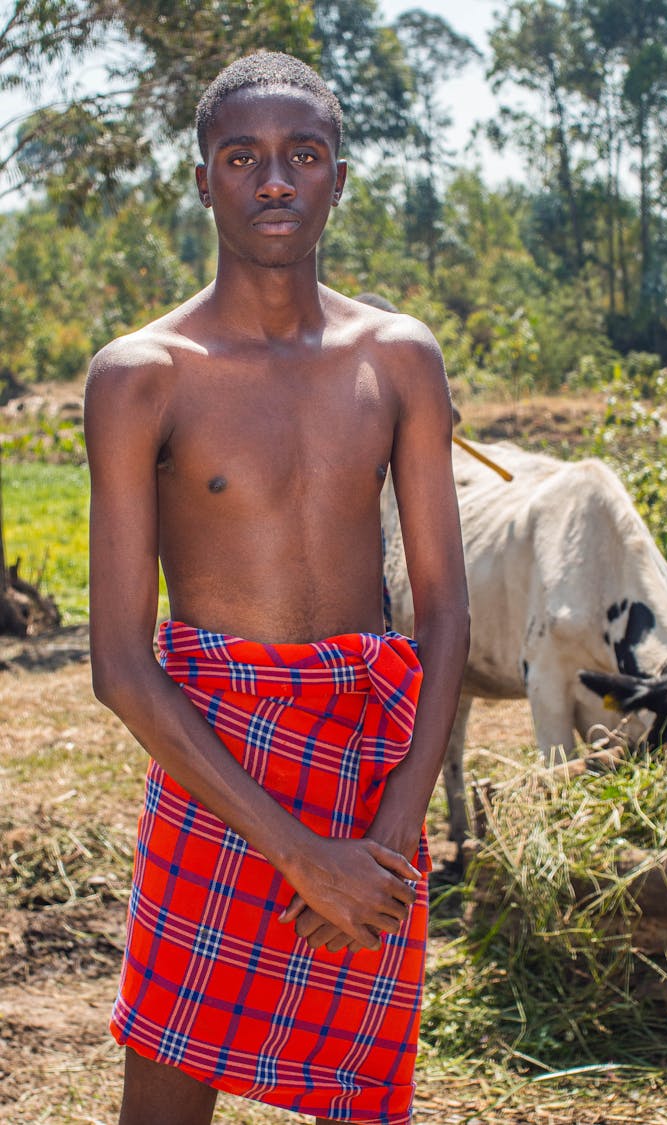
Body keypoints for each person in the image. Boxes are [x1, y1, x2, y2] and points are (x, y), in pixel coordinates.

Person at [84, 51, 469, 1125]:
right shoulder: (142, 374)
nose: (273, 181)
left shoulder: (398, 358)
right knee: (168, 1085)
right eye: (241, 157)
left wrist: (388, 837)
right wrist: (303, 857)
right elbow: (120, 665)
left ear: (337, 179)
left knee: (359, 1091)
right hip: (211, 764)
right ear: (203, 180)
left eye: (302, 156)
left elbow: (442, 611)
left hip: (367, 766)